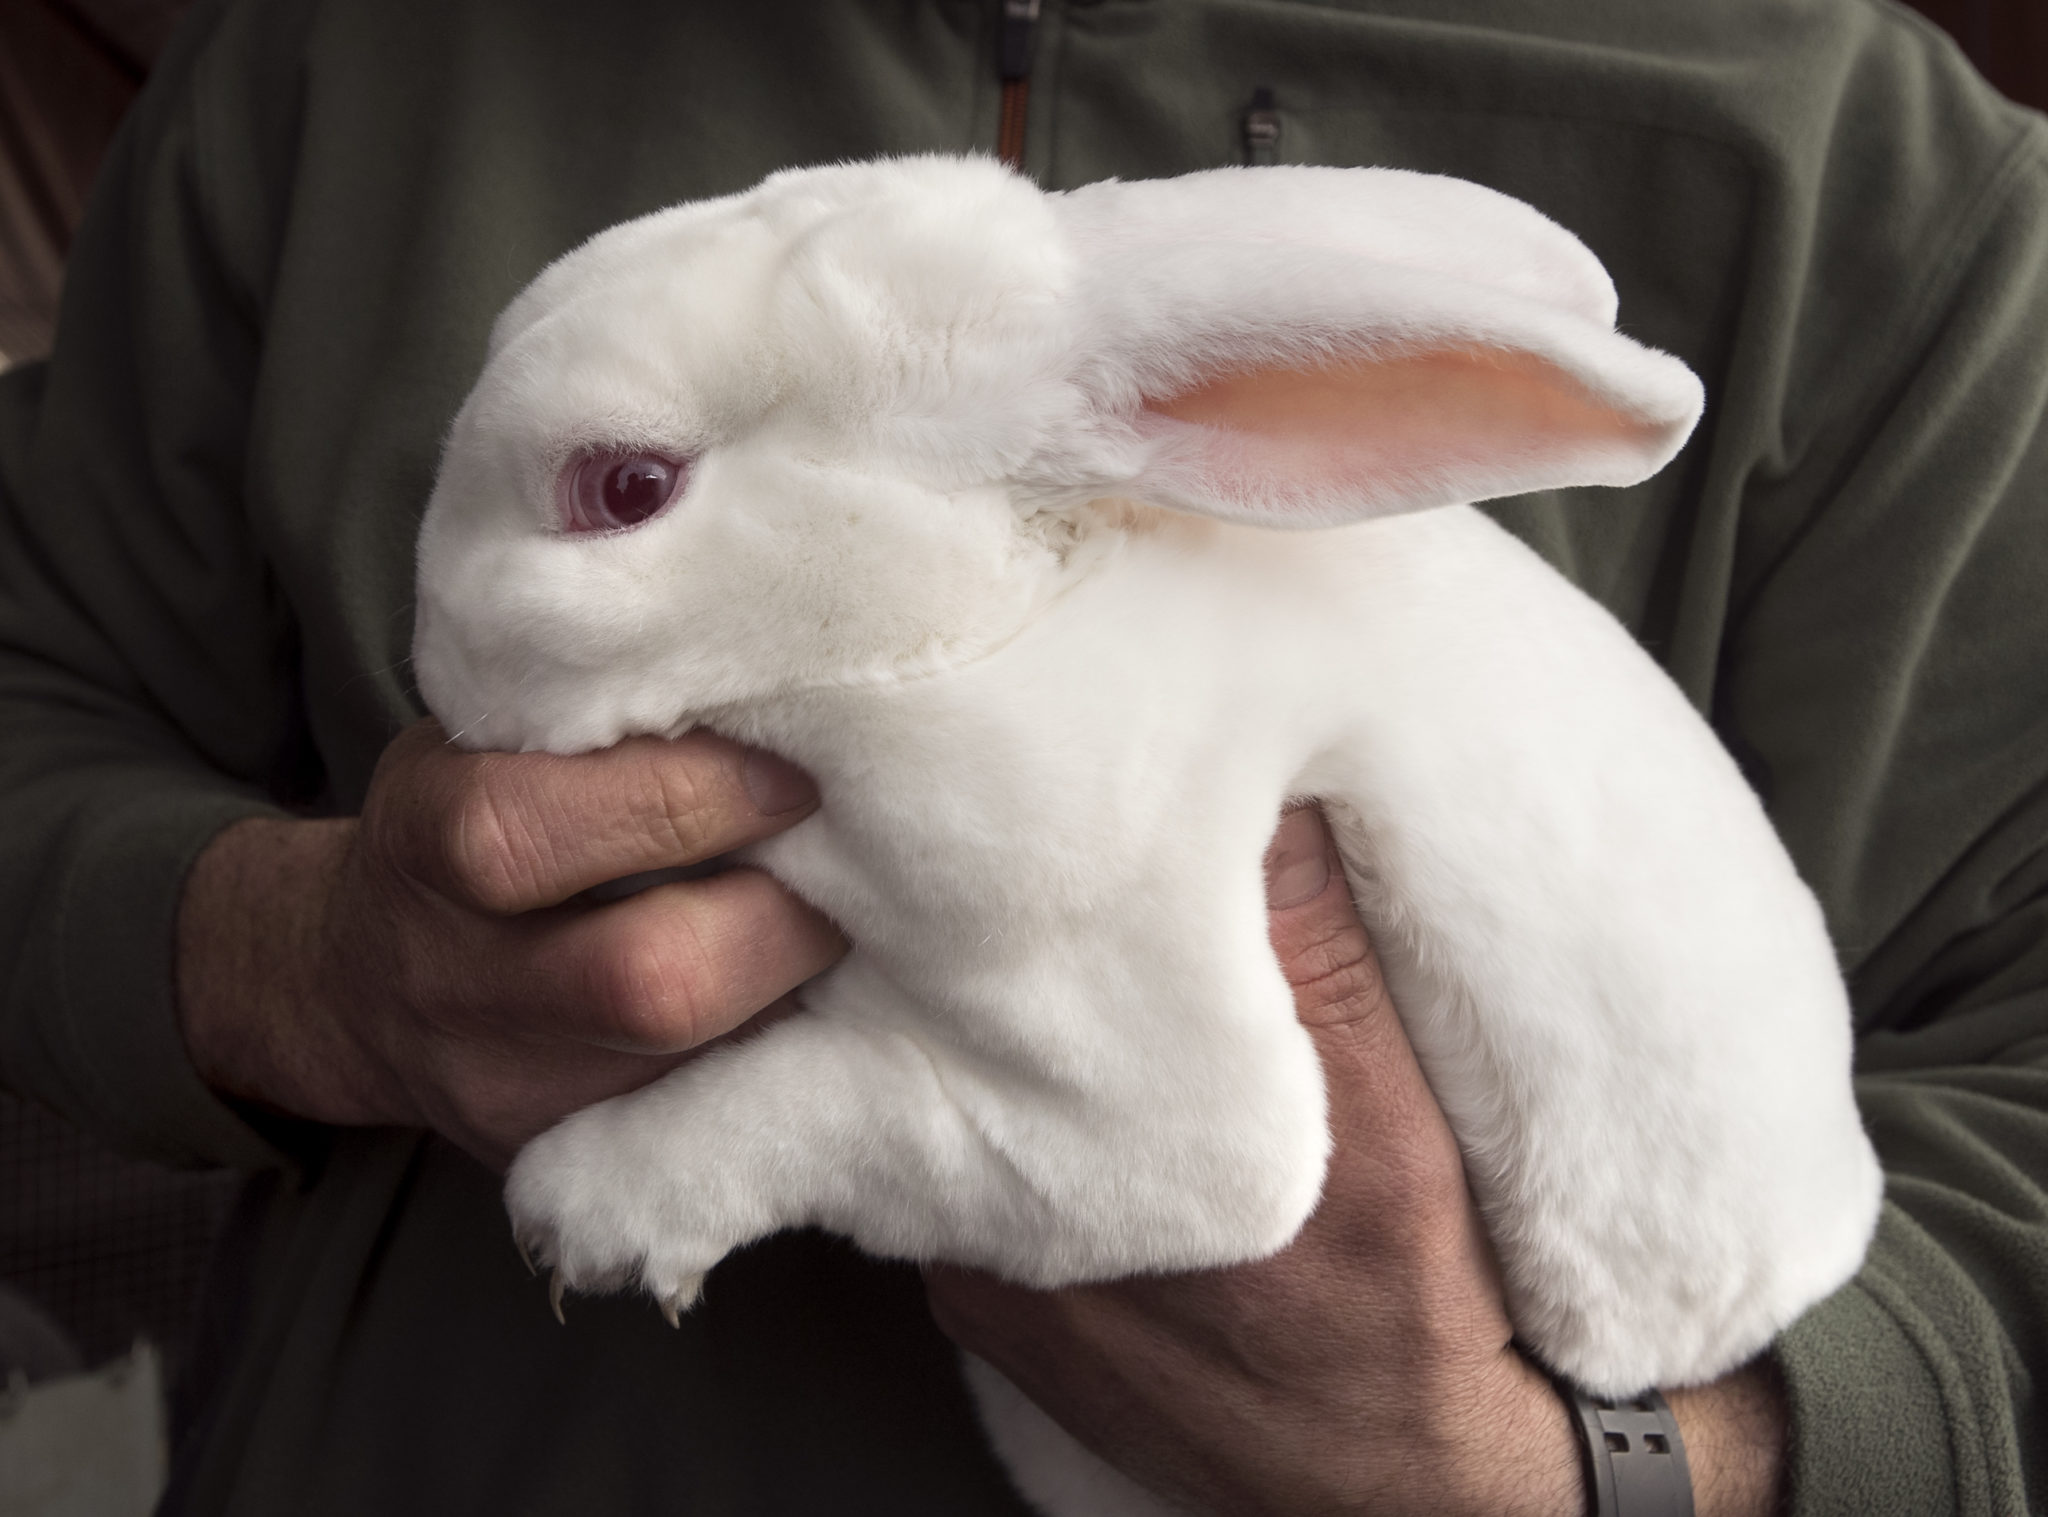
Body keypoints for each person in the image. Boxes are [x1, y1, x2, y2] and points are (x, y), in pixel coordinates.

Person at [1, 0, 2042, 1512]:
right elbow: (43, 682)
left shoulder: (1886, 197)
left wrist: (1588, 1468)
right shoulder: (340, 61)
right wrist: (297, 958)